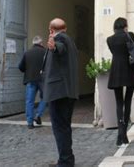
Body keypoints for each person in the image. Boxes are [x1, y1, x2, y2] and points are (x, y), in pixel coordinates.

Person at [42, 18, 78, 167]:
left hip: (59, 92)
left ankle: (65, 162)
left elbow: (59, 48)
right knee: (65, 127)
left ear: (51, 30)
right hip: (67, 91)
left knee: (60, 128)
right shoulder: (70, 41)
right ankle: (66, 159)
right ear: (66, 28)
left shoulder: (61, 39)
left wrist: (54, 46)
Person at [106, 17, 134, 147]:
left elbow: (114, 52)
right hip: (130, 69)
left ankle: (120, 134)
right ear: (125, 25)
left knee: (119, 103)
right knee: (128, 101)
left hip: (116, 70)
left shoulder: (109, 39)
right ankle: (124, 133)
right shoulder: (129, 35)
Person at [19, 35, 47, 129]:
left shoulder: (27, 53)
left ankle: (30, 123)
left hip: (30, 79)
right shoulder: (45, 52)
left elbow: (21, 67)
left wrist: (28, 70)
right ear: (40, 43)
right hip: (42, 79)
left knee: (29, 101)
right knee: (45, 97)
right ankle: (38, 115)